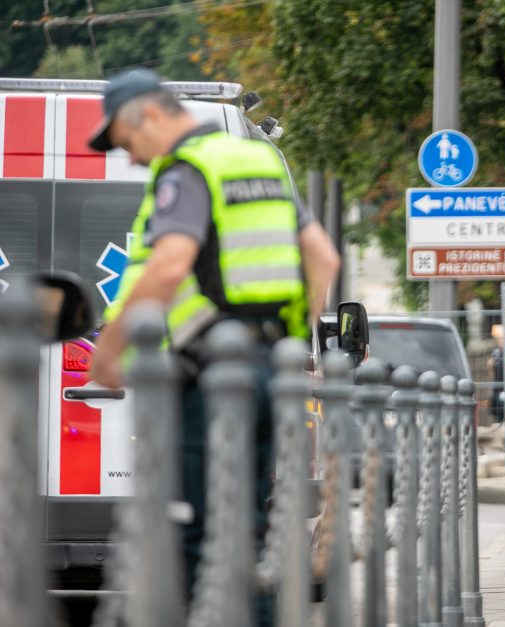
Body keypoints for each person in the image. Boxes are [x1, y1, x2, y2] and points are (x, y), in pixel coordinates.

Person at [87, 69, 340, 626]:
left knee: (200, 528)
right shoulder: (257, 162)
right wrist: (291, 337)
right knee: (247, 523)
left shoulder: (189, 169)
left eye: (127, 144)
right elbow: (324, 259)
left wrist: (109, 350)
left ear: (146, 117)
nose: (131, 158)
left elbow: (170, 263)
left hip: (212, 372)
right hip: (269, 368)